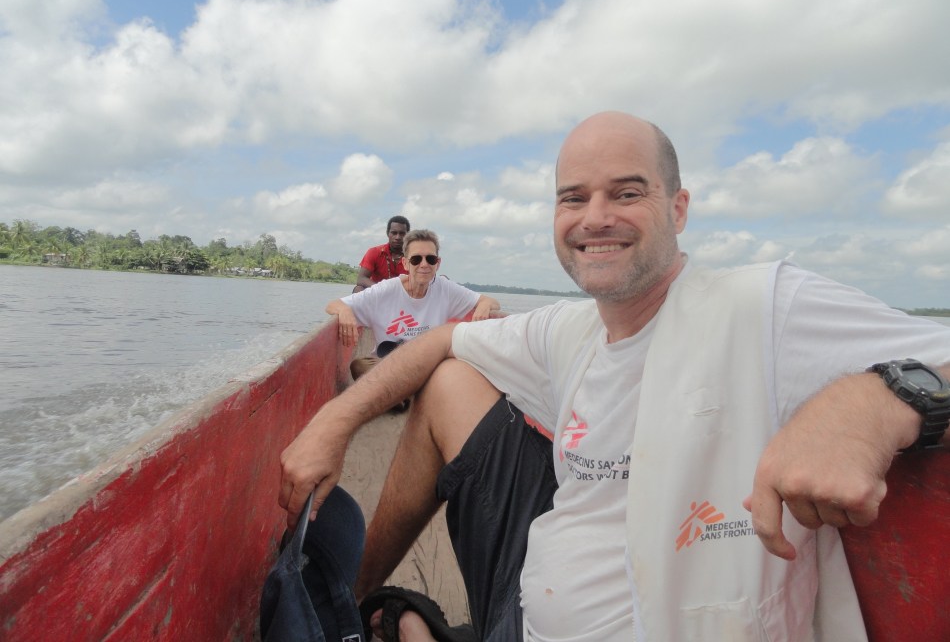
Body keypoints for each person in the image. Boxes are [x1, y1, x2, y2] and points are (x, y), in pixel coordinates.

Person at [280, 112, 950, 641]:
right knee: (452, 377)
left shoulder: (765, 307)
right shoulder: (569, 328)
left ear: (678, 208)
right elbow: (447, 339)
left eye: (627, 193)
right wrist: (333, 422)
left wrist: (875, 399)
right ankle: (351, 608)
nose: (594, 217)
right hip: (527, 610)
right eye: (573, 197)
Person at [327, 229, 500, 382]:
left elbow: (491, 302)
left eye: (430, 259)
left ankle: (401, 394)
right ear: (405, 263)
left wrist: (483, 306)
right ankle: (409, 393)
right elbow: (334, 305)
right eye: (416, 259)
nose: (424, 265)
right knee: (360, 366)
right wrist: (344, 310)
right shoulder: (385, 290)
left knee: (456, 368)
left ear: (437, 264)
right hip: (390, 364)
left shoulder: (444, 288)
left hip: (427, 366)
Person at [353, 216, 411, 293]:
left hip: (404, 295)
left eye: (402, 233)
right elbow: (361, 279)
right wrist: (382, 289)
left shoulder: (415, 257)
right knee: (358, 289)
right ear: (388, 233)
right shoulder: (374, 252)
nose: (397, 237)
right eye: (394, 233)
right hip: (378, 293)